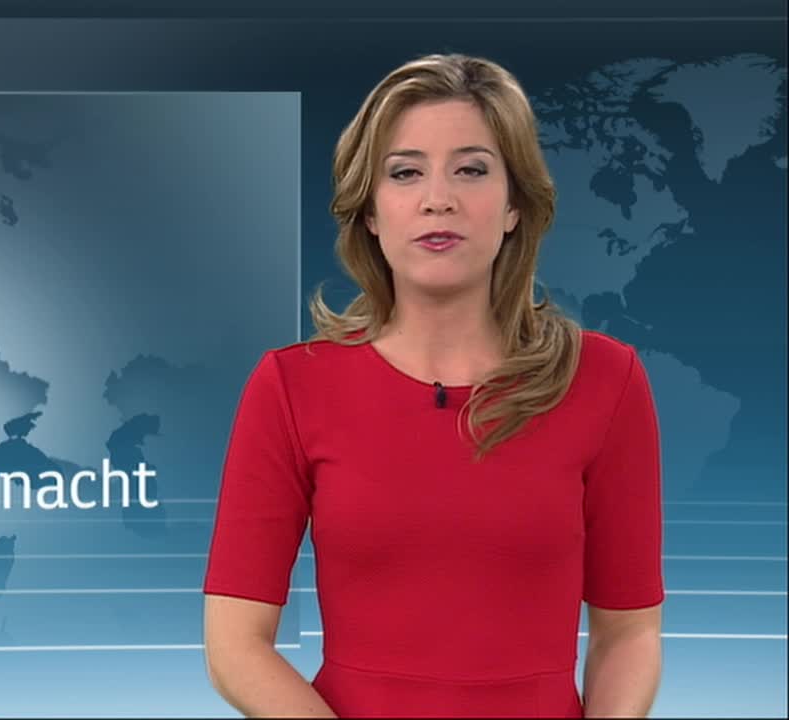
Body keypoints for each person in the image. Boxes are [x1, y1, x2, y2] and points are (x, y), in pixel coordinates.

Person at [202, 53, 664, 718]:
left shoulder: (606, 381)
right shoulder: (290, 386)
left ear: (514, 205)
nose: (437, 198)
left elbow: (629, 634)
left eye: (471, 169)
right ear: (370, 211)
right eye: (405, 172)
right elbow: (235, 644)